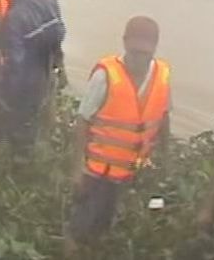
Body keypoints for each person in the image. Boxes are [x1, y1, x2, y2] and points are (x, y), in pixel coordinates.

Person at [65, 16, 171, 257]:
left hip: (128, 171)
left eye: (145, 53)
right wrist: (76, 168)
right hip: (96, 170)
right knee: (80, 225)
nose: (139, 58)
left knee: (105, 223)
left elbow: (164, 117)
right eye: (135, 51)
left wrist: (165, 158)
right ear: (124, 43)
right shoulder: (106, 75)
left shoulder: (162, 76)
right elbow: (83, 121)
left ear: (155, 47)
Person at [0, 0, 65, 155]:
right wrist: (60, 69)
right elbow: (59, 35)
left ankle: (12, 158)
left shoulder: (15, 16)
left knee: (16, 128)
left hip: (26, 81)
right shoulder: (49, 0)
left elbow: (16, 61)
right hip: (46, 73)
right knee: (34, 124)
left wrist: (6, 94)